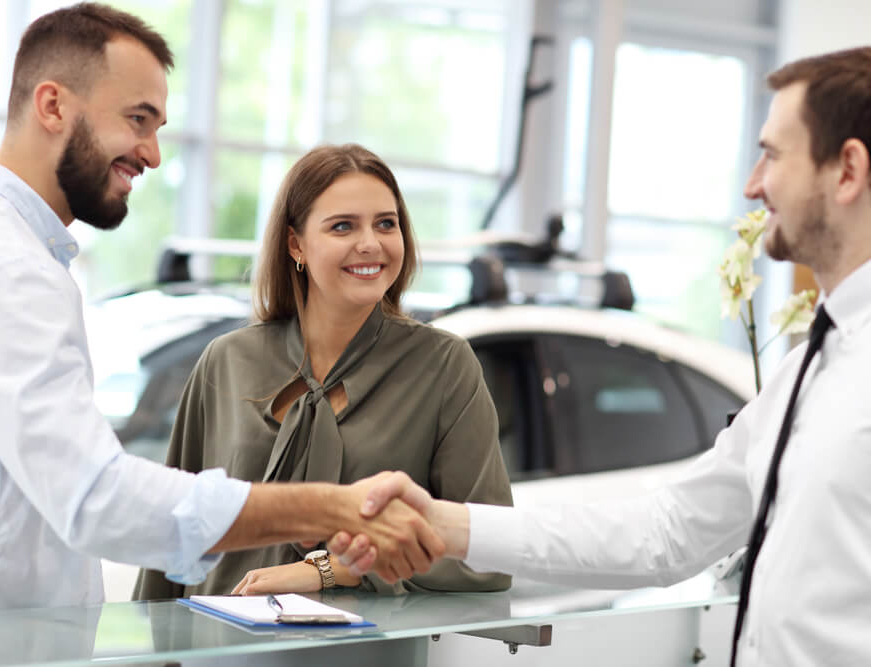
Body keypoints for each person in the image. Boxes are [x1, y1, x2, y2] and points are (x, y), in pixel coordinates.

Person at [0, 3, 442, 619]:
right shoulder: (5, 269)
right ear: (53, 105)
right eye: (137, 120)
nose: (153, 154)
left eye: (159, 126)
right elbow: (99, 498)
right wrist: (330, 509)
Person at [348, 47, 871, 667]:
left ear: (846, 171)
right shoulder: (808, 369)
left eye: (773, 154)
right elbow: (665, 533)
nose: (753, 184)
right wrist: (445, 523)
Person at [134, 144, 512, 599]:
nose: (370, 242)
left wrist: (334, 569)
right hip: (218, 647)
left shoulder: (444, 366)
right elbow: (174, 537)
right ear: (296, 244)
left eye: (385, 224)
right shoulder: (227, 361)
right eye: (343, 226)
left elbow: (490, 554)